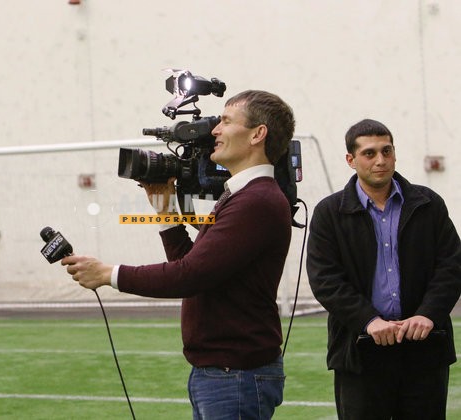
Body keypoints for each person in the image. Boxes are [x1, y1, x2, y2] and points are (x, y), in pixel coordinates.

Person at [62, 90, 295, 419]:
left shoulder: (256, 201)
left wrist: (107, 274)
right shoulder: (242, 196)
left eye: (226, 121)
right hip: (223, 373)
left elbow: (189, 275)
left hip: (235, 375)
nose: (215, 130)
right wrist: (167, 213)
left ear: (258, 134)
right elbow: (196, 270)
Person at [306, 118, 461, 419]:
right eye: (369, 153)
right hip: (360, 350)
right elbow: (325, 279)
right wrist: (368, 320)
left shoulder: (428, 204)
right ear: (350, 160)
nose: (380, 160)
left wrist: (428, 314)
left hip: (424, 348)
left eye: (386, 151)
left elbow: (451, 265)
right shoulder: (330, 212)